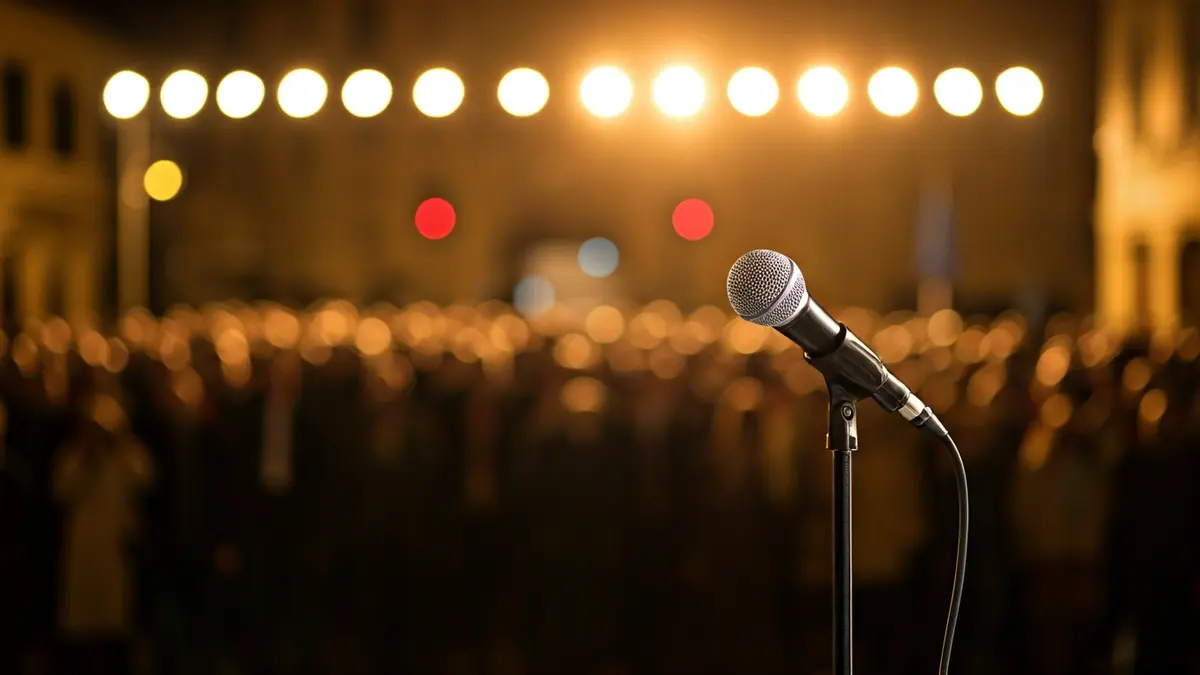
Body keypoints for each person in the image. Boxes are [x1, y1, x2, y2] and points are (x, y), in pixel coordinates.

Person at [53, 388, 154, 675]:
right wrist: (87, 456)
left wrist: (121, 445)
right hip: (84, 547)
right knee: (83, 619)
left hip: (114, 547)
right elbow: (62, 489)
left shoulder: (125, 456)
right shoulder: (74, 456)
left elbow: (145, 476)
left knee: (112, 618)